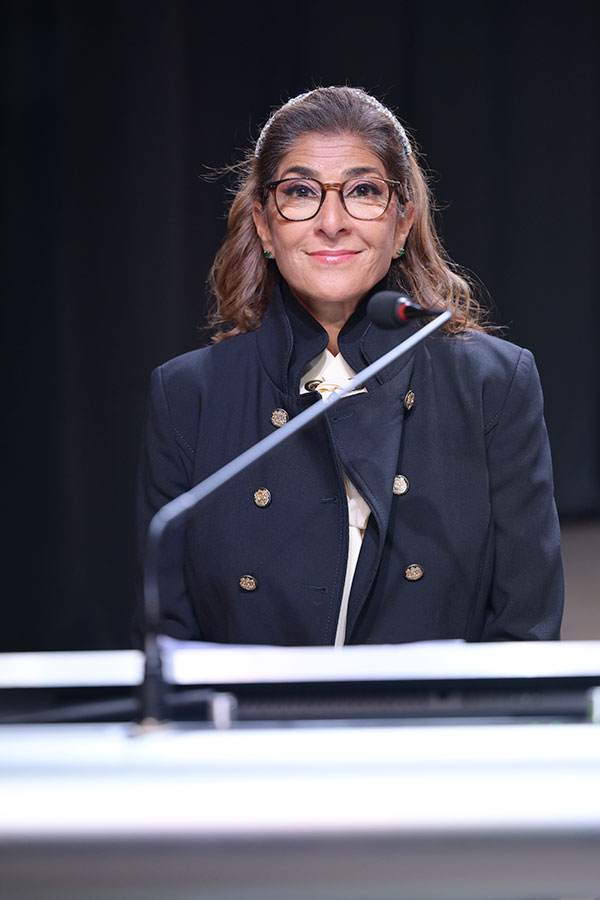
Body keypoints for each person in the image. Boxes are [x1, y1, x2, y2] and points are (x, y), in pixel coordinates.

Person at [136, 86, 563, 646]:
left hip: (433, 729)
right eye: (299, 192)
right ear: (266, 225)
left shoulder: (492, 384)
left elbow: (523, 634)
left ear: (402, 222)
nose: (331, 222)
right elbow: (167, 642)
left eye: (363, 191)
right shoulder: (187, 394)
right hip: (250, 730)